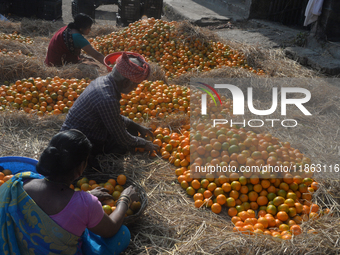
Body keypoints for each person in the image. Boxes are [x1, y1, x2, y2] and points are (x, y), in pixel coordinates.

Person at [0, 129, 139, 254]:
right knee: (122, 233)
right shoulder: (86, 205)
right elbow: (111, 229)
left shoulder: (19, 183)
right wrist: (124, 200)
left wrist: (87, 198)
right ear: (81, 167)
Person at [61, 52, 159, 167]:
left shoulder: (103, 82)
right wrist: (144, 143)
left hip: (73, 136)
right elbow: (122, 137)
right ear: (126, 82)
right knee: (126, 144)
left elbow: (113, 118)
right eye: (135, 85)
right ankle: (96, 164)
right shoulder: (107, 98)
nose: (136, 88)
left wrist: (136, 126)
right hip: (74, 149)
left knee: (132, 131)